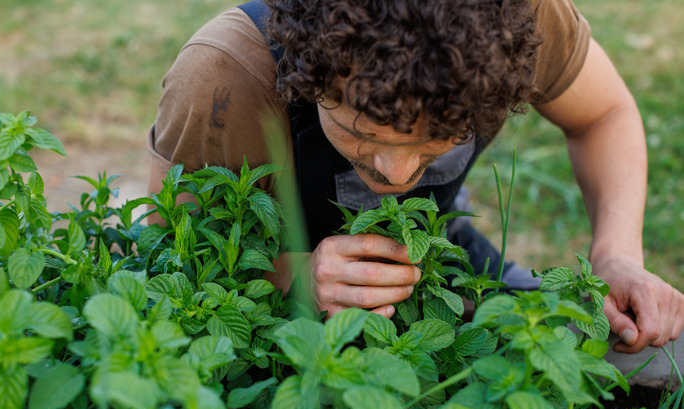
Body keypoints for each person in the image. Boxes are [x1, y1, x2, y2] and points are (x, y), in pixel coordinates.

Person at [146, 0, 684, 353]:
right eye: (366, 133)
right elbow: (165, 254)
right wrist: (290, 277)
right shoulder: (226, 74)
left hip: (441, 256)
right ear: (312, 73)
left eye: (438, 137)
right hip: (267, 307)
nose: (396, 173)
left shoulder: (513, 22)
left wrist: (616, 254)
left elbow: (603, 114)